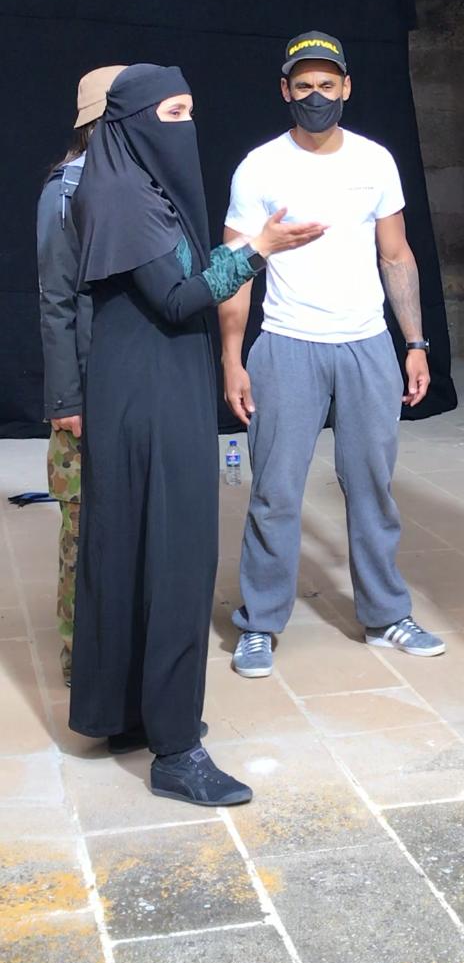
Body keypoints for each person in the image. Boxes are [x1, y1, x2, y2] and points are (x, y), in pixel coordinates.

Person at [69, 63, 324, 805]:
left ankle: (128, 714)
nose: (188, 126)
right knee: (176, 561)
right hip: (149, 399)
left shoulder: (137, 187)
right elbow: (180, 299)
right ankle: (176, 750)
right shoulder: (122, 196)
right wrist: (259, 250)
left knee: (135, 553)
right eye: (174, 113)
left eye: (190, 111)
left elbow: (179, 277)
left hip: (146, 390)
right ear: (133, 121)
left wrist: (248, 250)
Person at [219, 31, 445, 679]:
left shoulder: (375, 161)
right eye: (303, 86)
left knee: (372, 486)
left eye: (327, 84)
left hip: (367, 344)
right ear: (284, 91)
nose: (315, 96)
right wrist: (232, 357)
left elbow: (396, 255)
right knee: (275, 491)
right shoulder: (260, 167)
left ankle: (385, 614)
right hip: (288, 343)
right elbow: (233, 268)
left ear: (347, 87)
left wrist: (415, 343)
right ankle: (260, 623)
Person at [37, 65, 126, 686]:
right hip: (87, 393)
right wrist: (67, 398)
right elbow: (56, 302)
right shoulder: (66, 191)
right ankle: (80, 664)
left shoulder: (141, 183)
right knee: (84, 530)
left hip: (129, 388)